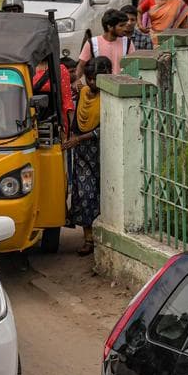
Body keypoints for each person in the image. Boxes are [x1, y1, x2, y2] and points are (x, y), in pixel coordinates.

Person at [67, 56, 111, 256]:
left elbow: (105, 128)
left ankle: (104, 238)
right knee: (85, 194)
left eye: (95, 78)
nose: (92, 82)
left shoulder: (109, 97)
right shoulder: (82, 93)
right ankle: (88, 239)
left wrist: (80, 138)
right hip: (82, 155)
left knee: (103, 197)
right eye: (89, 78)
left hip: (102, 154)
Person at [76, 9, 131, 79]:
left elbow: (134, 65)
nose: (125, 29)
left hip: (121, 83)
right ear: (109, 27)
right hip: (99, 84)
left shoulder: (127, 43)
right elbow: (81, 66)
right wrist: (77, 80)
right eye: (121, 26)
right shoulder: (92, 43)